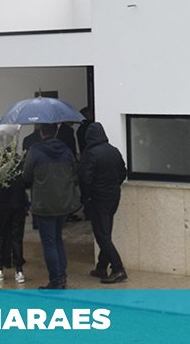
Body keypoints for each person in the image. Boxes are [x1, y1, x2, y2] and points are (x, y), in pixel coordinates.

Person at [22, 122, 80, 289]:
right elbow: (74, 173)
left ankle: (56, 280)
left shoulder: (35, 151)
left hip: (43, 204)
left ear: (41, 133)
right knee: (58, 239)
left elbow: (26, 175)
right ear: (56, 132)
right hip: (63, 203)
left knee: (49, 242)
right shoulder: (67, 151)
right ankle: (62, 277)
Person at [78, 122, 128, 284]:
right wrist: (112, 186)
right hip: (113, 196)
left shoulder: (91, 153)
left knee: (102, 235)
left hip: (98, 199)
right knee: (106, 233)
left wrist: (86, 197)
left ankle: (118, 268)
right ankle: (101, 267)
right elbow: (122, 172)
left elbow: (85, 179)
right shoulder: (113, 151)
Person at [0, 162, 28, 284]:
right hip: (18, 204)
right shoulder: (20, 162)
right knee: (16, 238)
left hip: (1, 205)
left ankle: (0, 268)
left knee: (0, 236)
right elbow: (27, 181)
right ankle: (19, 270)